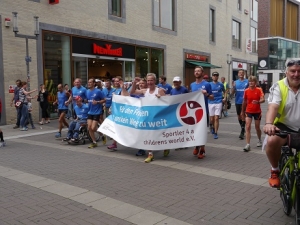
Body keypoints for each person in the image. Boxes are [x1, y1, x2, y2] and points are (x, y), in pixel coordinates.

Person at [264, 59, 300, 188]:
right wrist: (269, 123)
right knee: (272, 141)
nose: (296, 74)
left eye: (299, 71)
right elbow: (273, 107)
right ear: (286, 72)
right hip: (283, 125)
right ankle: (275, 170)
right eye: (292, 71)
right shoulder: (279, 86)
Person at [129, 73, 167, 163]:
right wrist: (134, 83)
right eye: (148, 80)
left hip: (158, 117)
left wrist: (161, 98)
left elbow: (167, 103)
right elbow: (132, 92)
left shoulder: (160, 90)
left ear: (155, 81)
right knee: (149, 135)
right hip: (148, 117)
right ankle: (150, 154)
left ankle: (166, 146)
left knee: (160, 135)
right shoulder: (144, 91)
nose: (150, 82)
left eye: (151, 80)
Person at [190, 66, 213, 159]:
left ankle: (202, 149)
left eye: (198, 71)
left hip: (204, 111)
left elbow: (212, 97)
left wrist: (206, 94)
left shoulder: (207, 84)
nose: (196, 72)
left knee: (202, 131)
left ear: (202, 73)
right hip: (194, 112)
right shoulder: (192, 85)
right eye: (195, 71)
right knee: (195, 130)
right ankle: (197, 146)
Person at [241, 76, 265, 152]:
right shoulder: (246, 91)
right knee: (247, 127)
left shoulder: (259, 90)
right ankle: (248, 144)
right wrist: (242, 111)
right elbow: (244, 101)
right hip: (248, 111)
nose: (251, 83)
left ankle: (259, 140)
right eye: (250, 81)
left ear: (255, 82)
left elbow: (263, 99)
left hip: (257, 112)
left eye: (252, 81)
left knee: (257, 127)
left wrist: (258, 102)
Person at [86, 78, 106, 149]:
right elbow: (87, 100)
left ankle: (102, 135)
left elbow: (104, 100)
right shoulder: (87, 91)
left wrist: (97, 102)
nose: (89, 83)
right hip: (90, 111)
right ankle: (94, 142)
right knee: (89, 128)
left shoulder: (98, 91)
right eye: (88, 82)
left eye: (90, 82)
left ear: (94, 83)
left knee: (93, 127)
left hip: (97, 112)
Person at [231, 69, 249, 139]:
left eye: (242, 73)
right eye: (240, 73)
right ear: (238, 74)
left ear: (244, 74)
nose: (241, 74)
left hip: (245, 101)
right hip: (237, 101)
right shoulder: (235, 82)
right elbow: (232, 93)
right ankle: (242, 127)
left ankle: (242, 130)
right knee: (239, 116)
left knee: (243, 115)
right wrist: (233, 87)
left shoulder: (247, 81)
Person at [107, 76, 123, 150]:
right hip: (114, 111)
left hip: (120, 112)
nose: (116, 82)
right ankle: (114, 143)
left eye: (118, 81)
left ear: (121, 82)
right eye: (115, 81)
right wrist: (110, 108)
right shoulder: (115, 90)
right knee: (114, 127)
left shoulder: (122, 90)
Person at [208, 72, 225, 139]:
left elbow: (225, 91)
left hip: (218, 102)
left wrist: (224, 98)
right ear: (212, 77)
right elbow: (206, 92)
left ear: (218, 77)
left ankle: (215, 132)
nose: (215, 77)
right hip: (211, 102)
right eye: (214, 76)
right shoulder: (209, 84)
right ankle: (212, 126)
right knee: (212, 119)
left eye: (216, 76)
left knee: (216, 118)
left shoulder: (221, 84)